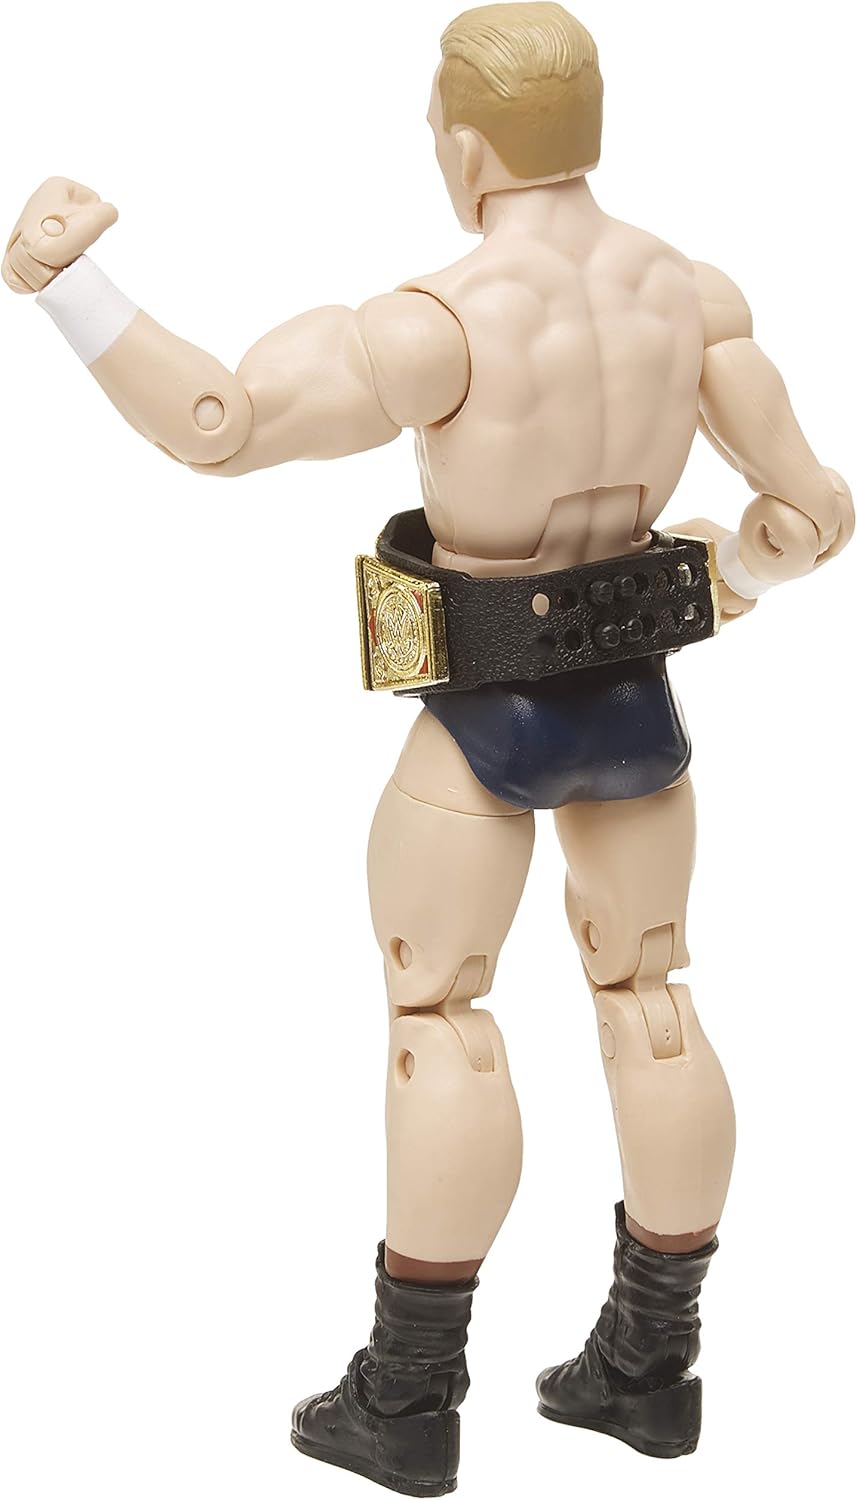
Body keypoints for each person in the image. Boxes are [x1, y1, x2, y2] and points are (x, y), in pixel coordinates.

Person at [4, 5, 852, 1495]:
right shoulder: (694, 297)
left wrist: (71, 284)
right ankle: (653, 1372)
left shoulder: (437, 324)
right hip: (638, 712)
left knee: (439, 1017)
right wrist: (720, 577)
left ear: (464, 148)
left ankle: (407, 1398)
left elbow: (217, 423)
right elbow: (809, 517)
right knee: (650, 997)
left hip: (481, 715)